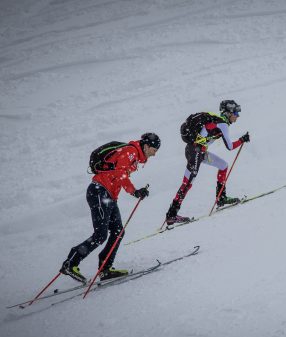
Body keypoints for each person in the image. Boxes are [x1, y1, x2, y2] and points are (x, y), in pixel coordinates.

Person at [60, 133, 161, 283]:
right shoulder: (130, 151)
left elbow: (118, 174)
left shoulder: (133, 154)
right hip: (99, 192)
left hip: (108, 196)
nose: (154, 153)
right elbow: (120, 174)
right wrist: (134, 191)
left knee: (118, 232)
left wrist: (134, 191)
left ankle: (105, 268)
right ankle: (71, 262)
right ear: (146, 146)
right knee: (101, 235)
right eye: (154, 149)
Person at [165, 100, 250, 225]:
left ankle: (221, 198)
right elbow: (230, 147)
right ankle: (171, 215)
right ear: (228, 113)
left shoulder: (217, 120)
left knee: (223, 166)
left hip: (199, 151)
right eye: (236, 113)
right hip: (195, 152)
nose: (238, 116)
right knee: (187, 183)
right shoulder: (222, 124)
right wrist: (242, 140)